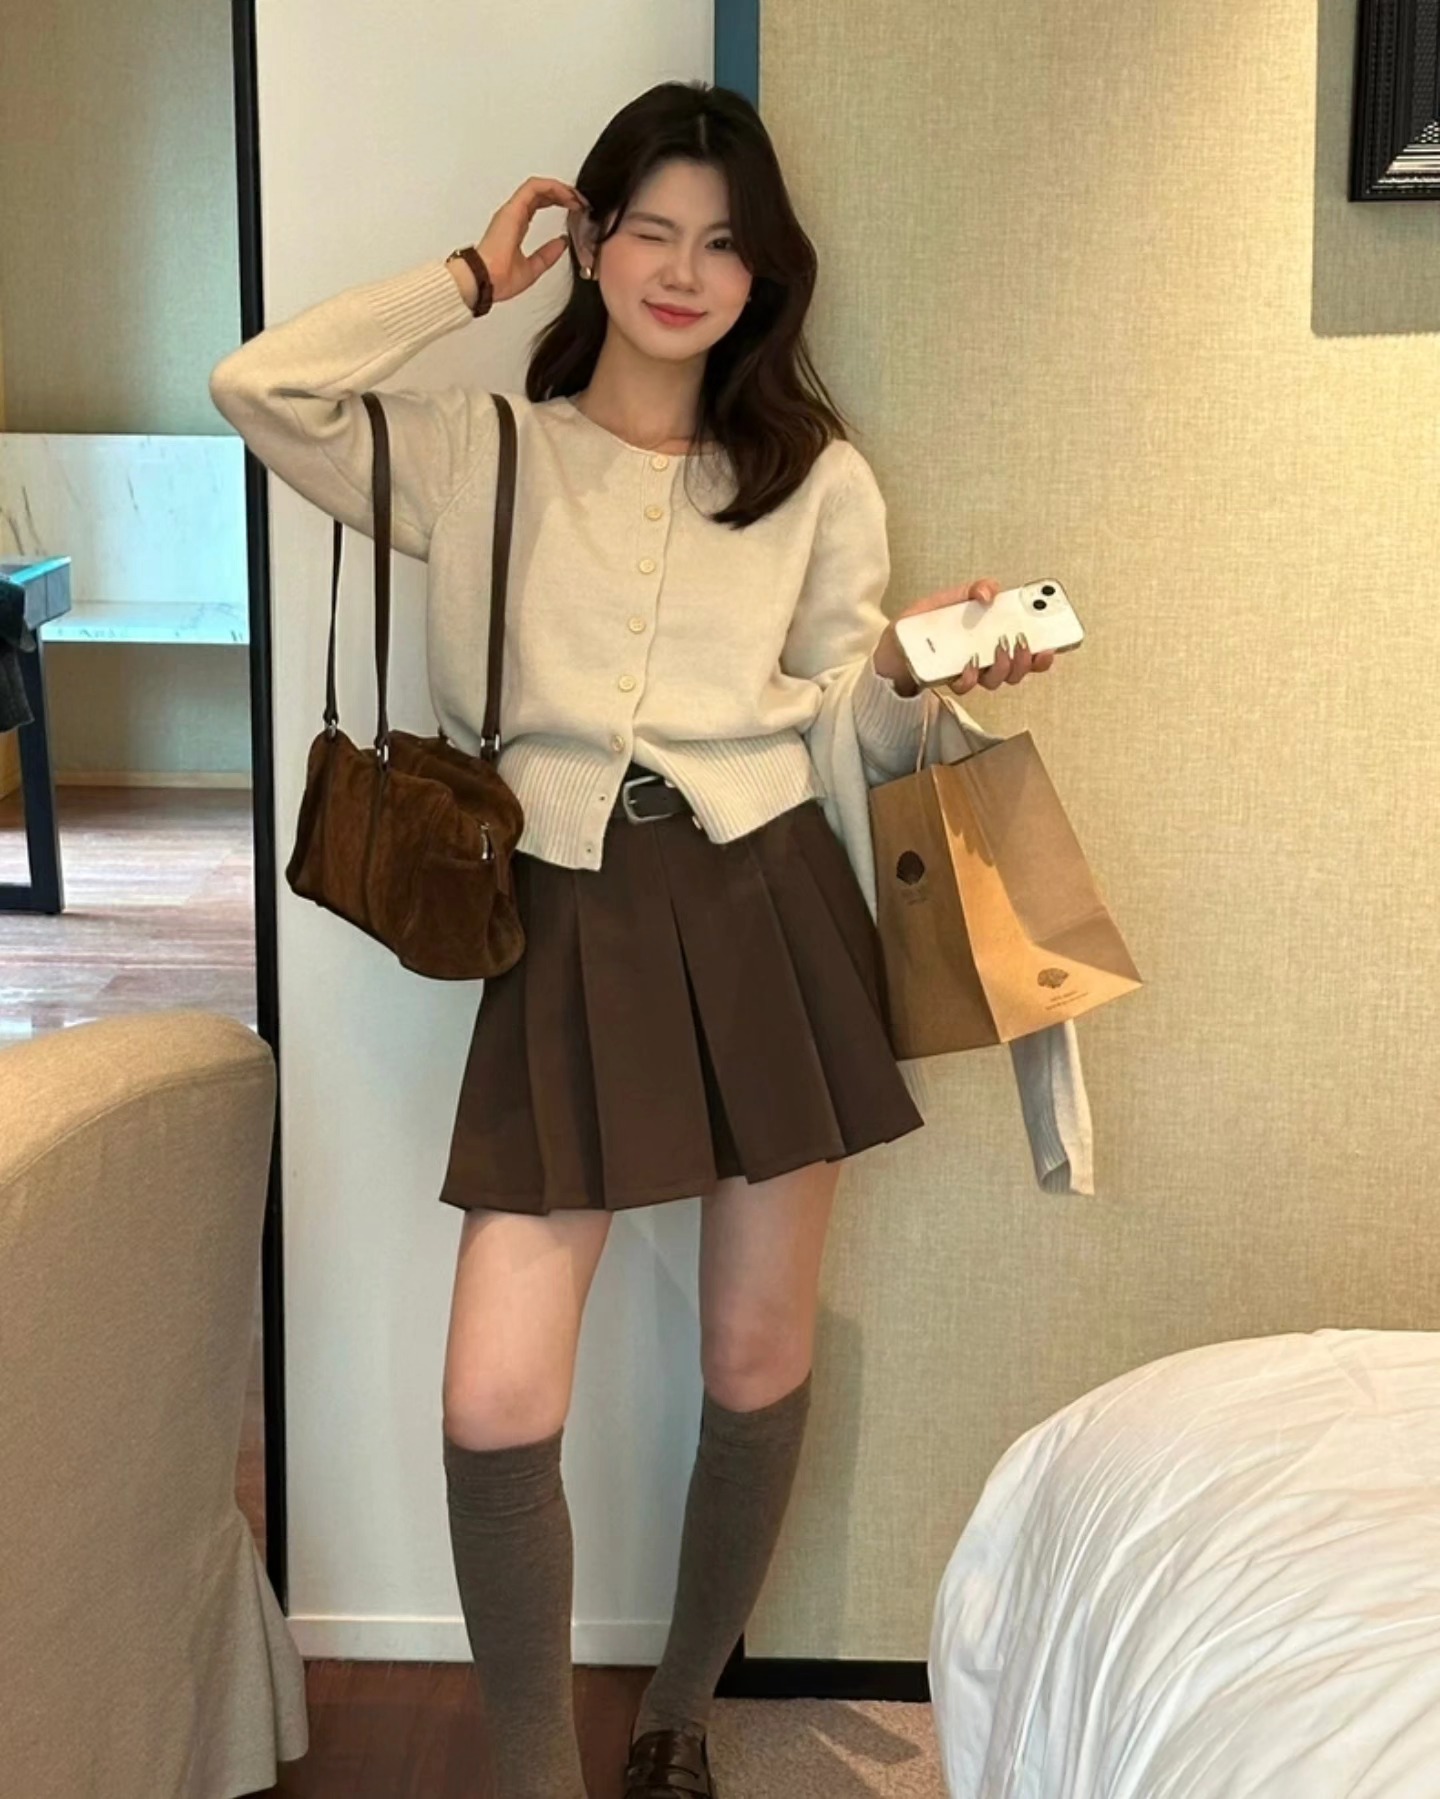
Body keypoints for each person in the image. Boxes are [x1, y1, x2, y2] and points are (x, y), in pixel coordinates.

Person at [210, 77, 1054, 1799]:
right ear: (589, 240)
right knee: (493, 1402)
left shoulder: (813, 482)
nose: (683, 271)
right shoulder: (484, 453)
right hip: (562, 921)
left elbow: (840, 734)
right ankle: (536, 1772)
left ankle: (676, 1717)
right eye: (649, 229)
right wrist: (471, 278)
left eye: (722, 243)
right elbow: (259, 390)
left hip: (767, 909)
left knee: (754, 1357)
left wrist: (921, 677)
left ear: (763, 274)